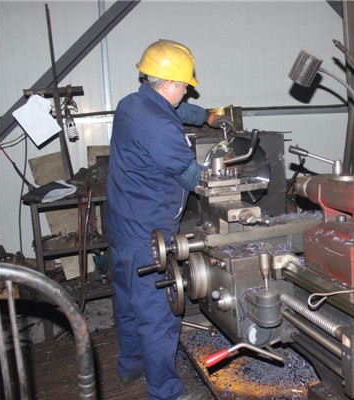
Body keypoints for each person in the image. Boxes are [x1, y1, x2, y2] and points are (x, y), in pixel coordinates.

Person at [107, 39, 228, 400]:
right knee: (159, 314)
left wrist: (207, 116)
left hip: (122, 224)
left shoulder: (132, 104)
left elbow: (177, 110)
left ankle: (130, 366)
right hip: (149, 233)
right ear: (169, 83)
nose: (187, 90)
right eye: (184, 85)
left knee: (128, 301)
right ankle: (165, 392)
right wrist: (224, 172)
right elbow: (194, 179)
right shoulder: (162, 130)